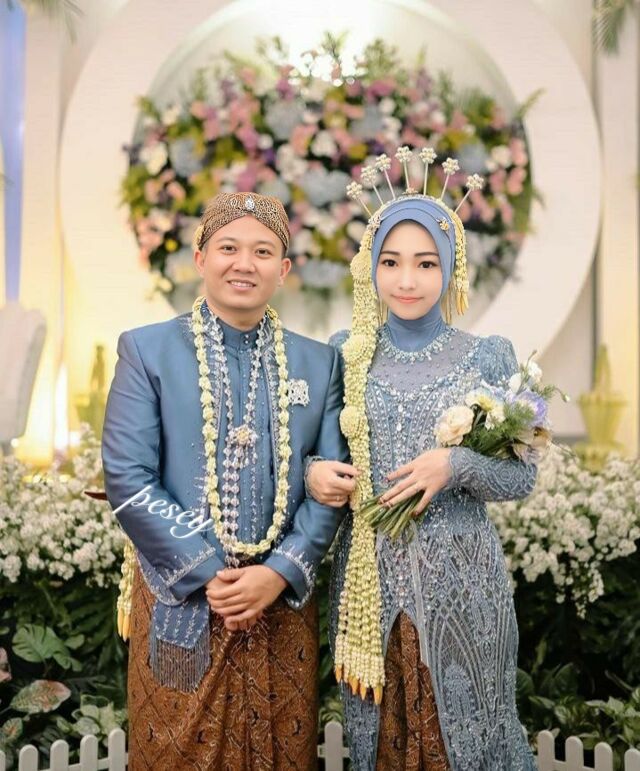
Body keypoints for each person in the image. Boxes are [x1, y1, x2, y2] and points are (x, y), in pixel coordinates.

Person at [102, 191, 352, 770]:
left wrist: (277, 573)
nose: (245, 264)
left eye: (262, 252)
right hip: (184, 600)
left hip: (279, 607)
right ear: (201, 258)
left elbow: (333, 482)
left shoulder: (319, 364)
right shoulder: (147, 350)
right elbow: (128, 476)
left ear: (283, 270)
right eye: (229, 248)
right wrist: (212, 576)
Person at [307, 150, 538, 770]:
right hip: (367, 588)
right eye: (391, 262)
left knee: (467, 740)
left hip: (465, 586)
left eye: (425, 263)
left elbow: (522, 474)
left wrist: (454, 466)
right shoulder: (347, 353)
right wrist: (315, 474)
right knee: (379, 741)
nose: (406, 280)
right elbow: (317, 454)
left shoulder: (487, 356)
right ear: (371, 267)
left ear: (451, 266)